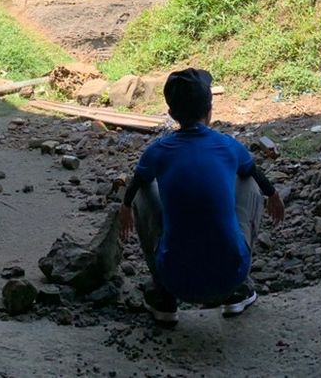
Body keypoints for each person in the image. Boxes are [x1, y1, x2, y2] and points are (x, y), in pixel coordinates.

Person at [118, 68, 285, 328]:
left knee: (144, 188)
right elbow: (255, 174)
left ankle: (163, 299)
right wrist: (273, 195)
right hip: (229, 277)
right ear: (210, 111)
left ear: (172, 114)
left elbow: (137, 184)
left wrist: (125, 206)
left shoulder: (158, 151)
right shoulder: (229, 145)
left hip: (177, 281)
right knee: (247, 181)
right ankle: (237, 292)